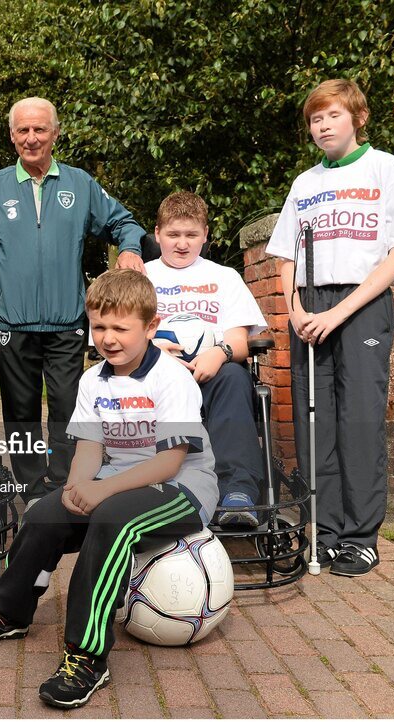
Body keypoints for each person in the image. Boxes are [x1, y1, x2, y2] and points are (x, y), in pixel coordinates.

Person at [0, 269, 216, 709]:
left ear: (150, 327)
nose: (108, 338)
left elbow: (171, 461)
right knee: (43, 514)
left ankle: (87, 657)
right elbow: (90, 448)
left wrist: (100, 493)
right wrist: (77, 488)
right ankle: (10, 612)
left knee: (114, 521)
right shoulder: (94, 381)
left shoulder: (172, 378)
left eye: (120, 328)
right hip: (119, 481)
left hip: (181, 488)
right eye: (99, 327)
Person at [0, 97, 147, 508]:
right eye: (23, 131)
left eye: (40, 129)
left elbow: (124, 222)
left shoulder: (80, 184)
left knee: (68, 408)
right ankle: (32, 491)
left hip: (67, 322)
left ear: (55, 133)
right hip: (13, 324)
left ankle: (66, 487)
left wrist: (131, 247)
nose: (31, 138)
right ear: (12, 137)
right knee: (21, 414)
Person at [266, 79, 394, 576]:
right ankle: (329, 532)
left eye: (332, 116)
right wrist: (294, 308)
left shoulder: (384, 167)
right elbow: (287, 255)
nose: (322, 126)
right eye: (315, 119)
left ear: (357, 117)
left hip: (361, 303)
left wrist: (339, 313)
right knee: (312, 423)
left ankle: (361, 537)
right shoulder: (304, 184)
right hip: (310, 308)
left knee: (358, 422)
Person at [145, 191, 267, 527]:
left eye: (191, 235)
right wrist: (150, 348)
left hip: (211, 374)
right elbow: (117, 333)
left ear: (206, 235)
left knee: (234, 377)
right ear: (157, 234)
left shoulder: (224, 277)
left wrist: (220, 353)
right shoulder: (141, 277)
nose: (182, 244)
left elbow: (240, 340)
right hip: (154, 377)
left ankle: (237, 493)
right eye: (173, 235)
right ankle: (152, 490)